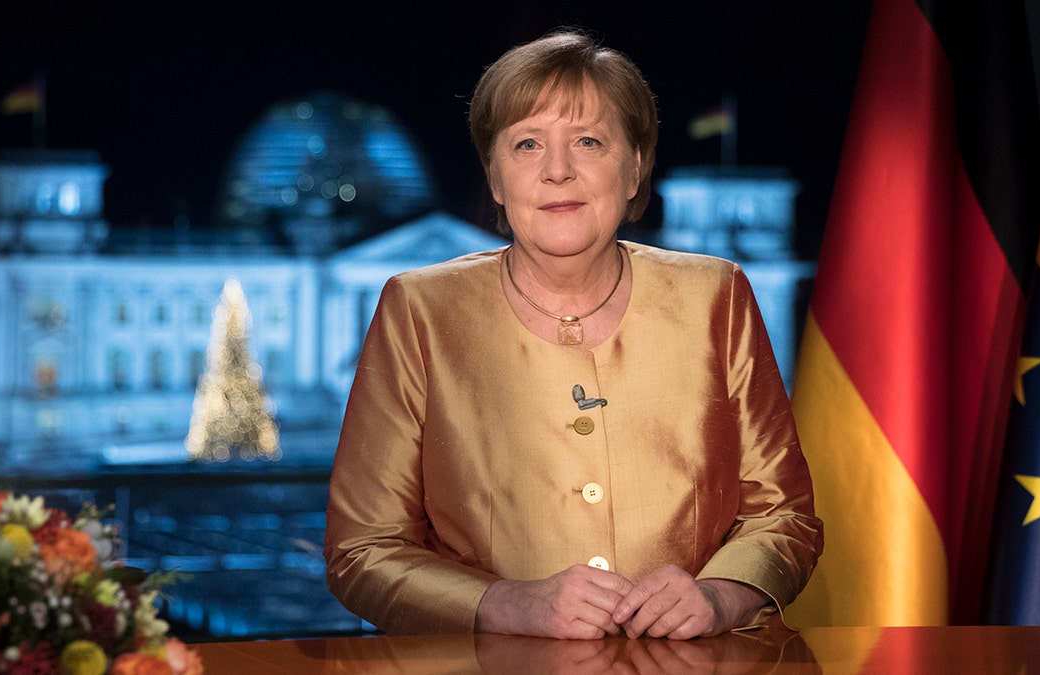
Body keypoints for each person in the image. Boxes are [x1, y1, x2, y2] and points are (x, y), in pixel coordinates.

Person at [324, 28, 822, 640]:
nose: (558, 171)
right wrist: (505, 606)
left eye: (588, 141)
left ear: (636, 167)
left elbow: (786, 517)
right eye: (528, 144)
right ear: (496, 180)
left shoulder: (716, 295)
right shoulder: (418, 308)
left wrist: (722, 596)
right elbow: (362, 551)